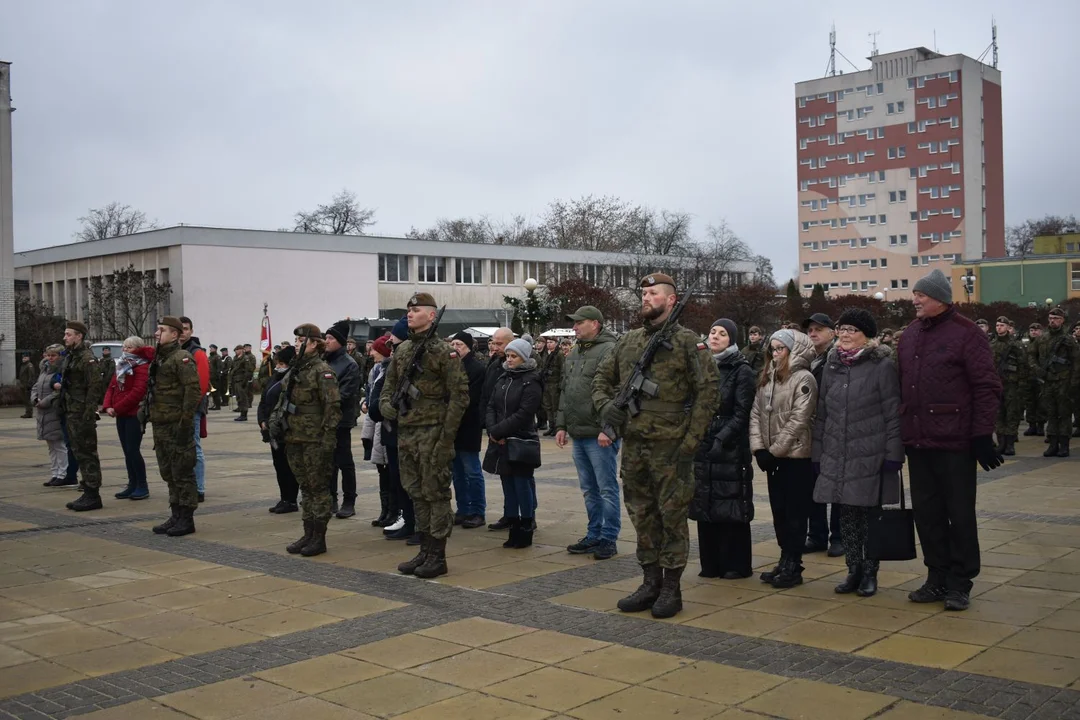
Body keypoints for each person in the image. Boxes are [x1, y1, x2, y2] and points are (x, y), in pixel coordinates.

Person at [594, 273, 720, 618]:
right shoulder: (629, 341)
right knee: (641, 515)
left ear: (671, 300)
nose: (645, 298)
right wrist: (609, 410)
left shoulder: (687, 342)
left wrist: (691, 441)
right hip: (634, 445)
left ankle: (671, 588)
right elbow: (602, 379)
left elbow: (709, 392)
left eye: (653, 294)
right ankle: (649, 582)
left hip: (671, 447)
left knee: (672, 518)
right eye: (644, 293)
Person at [899, 268, 1003, 611]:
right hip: (918, 441)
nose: (914, 300)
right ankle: (936, 577)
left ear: (940, 299)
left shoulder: (967, 334)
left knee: (958, 514)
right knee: (926, 515)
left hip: (954, 442)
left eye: (921, 295)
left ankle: (960, 581)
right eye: (914, 294)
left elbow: (987, 387)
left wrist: (981, 435)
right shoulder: (910, 334)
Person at [812, 309, 902, 598]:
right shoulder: (832, 364)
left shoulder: (882, 365)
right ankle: (853, 569)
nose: (846, 334)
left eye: (853, 329)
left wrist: (893, 453)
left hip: (870, 453)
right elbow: (822, 412)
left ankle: (870, 573)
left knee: (869, 516)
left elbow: (892, 413)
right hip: (838, 452)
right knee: (847, 515)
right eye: (842, 328)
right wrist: (818, 452)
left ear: (867, 335)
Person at [380, 294, 468, 577]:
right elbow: (388, 385)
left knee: (436, 494)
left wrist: (446, 439)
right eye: (408, 310)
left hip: (433, 434)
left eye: (416, 310)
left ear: (431, 316)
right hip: (407, 434)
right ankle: (424, 549)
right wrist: (386, 407)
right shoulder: (403, 349)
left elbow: (459, 396)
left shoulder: (445, 351)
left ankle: (437, 556)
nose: (410, 314)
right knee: (416, 493)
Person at [751, 328, 817, 589]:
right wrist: (759, 449)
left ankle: (794, 562)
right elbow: (756, 413)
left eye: (781, 349)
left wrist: (775, 451)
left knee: (795, 512)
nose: (776, 354)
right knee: (779, 511)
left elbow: (799, 420)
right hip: (773, 458)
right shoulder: (768, 378)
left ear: (793, 350)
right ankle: (784, 557)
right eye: (773, 349)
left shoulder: (804, 378)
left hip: (795, 457)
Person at [690, 318, 756, 579]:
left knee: (730, 504)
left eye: (722, 334)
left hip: (729, 448)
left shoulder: (742, 370)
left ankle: (735, 564)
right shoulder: (701, 365)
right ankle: (711, 563)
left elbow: (742, 412)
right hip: (702, 444)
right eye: (712, 331)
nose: (715, 336)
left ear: (732, 339)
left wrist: (722, 437)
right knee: (705, 502)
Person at [556, 305, 620, 561]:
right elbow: (565, 391)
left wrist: (609, 428)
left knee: (606, 488)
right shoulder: (573, 354)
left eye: (579, 323)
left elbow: (617, 393)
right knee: (588, 488)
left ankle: (608, 537)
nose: (574, 327)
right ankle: (593, 533)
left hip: (599, 434)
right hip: (578, 432)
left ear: (595, 324)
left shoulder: (610, 350)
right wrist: (561, 425)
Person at [271, 324, 341, 557]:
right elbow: (283, 400)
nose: (297, 344)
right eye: (297, 340)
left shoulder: (322, 371)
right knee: (305, 487)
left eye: (301, 340)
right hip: (295, 436)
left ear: (314, 343)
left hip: (315, 440)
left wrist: (328, 439)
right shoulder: (296, 370)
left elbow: (332, 408)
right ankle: (308, 532)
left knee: (318, 488)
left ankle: (318, 537)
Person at [483, 338, 543, 548]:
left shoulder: (531, 380)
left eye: (513, 356)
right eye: (508, 355)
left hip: (520, 440)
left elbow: (525, 413)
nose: (509, 360)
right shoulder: (503, 377)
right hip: (500, 440)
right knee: (507, 481)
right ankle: (512, 521)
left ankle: (526, 526)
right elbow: (491, 405)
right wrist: (492, 429)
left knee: (521, 484)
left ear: (524, 357)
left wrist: (499, 430)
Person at [145, 317, 202, 536]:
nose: (157, 333)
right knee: (168, 472)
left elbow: (193, 391)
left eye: (162, 330)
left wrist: (185, 422)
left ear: (175, 335)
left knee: (182, 472)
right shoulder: (159, 359)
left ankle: (187, 518)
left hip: (177, 425)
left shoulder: (182, 358)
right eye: (158, 329)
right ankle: (176, 513)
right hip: (161, 424)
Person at [802, 313, 842, 557]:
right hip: (811, 432)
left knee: (835, 486)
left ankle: (838, 537)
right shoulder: (807, 359)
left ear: (832, 332)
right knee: (812, 486)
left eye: (819, 329)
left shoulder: (837, 359)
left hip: (833, 430)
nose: (813, 333)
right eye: (810, 330)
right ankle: (816, 535)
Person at [58, 321, 104, 511]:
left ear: (79, 336)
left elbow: (95, 387)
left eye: (69, 334)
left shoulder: (87, 358)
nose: (65, 338)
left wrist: (88, 413)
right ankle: (87, 490)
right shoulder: (71, 356)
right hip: (71, 410)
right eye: (65, 334)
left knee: (87, 452)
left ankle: (93, 493)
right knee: (78, 451)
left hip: (82, 412)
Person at [103, 336, 154, 501]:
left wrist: (116, 407)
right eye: (124, 347)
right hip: (121, 413)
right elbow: (112, 386)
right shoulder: (121, 365)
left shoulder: (142, 366)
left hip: (134, 414)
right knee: (127, 451)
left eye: (129, 348)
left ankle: (142, 485)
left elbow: (138, 392)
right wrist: (107, 405)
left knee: (133, 450)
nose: (125, 350)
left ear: (138, 349)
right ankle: (132, 484)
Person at [449, 331, 487, 529]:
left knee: (472, 471)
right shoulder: (451, 366)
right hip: (452, 427)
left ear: (468, 347)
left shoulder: (476, 368)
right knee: (457, 472)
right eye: (453, 343)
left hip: (468, 425)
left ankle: (478, 510)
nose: (455, 347)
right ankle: (463, 509)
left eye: (460, 344)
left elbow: (471, 399)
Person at [325, 320, 361, 518]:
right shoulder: (325, 360)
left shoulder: (349, 364)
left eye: (330, 338)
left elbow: (346, 393)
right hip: (325, 420)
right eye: (326, 337)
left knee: (344, 461)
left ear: (340, 341)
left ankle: (349, 501)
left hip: (341, 419)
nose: (326, 341)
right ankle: (331, 499)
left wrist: (324, 400)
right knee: (328, 462)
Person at [481, 327, 516, 531]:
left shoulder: (516, 367)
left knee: (520, 477)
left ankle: (526, 515)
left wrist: (500, 428)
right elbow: (489, 398)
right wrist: (490, 425)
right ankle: (509, 513)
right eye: (493, 343)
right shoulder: (494, 364)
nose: (495, 347)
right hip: (495, 427)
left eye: (499, 343)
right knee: (504, 473)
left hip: (511, 429)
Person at [1033, 307, 1079, 457]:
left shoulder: (1069, 340)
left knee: (1064, 414)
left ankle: (1064, 445)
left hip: (1064, 382)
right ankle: (1053, 444)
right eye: (1051, 318)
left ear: (1062, 320)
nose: (1053, 321)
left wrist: (1073, 383)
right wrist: (1037, 369)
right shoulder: (1042, 339)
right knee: (1051, 413)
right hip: (1047, 381)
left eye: (1056, 319)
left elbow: (1076, 362)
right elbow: (1031, 356)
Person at [259, 345, 298, 514]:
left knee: (287, 466)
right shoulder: (274, 377)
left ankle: (291, 500)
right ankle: (284, 498)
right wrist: (262, 420)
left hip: (285, 429)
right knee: (279, 466)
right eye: (278, 363)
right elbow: (263, 400)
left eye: (282, 363)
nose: (279, 366)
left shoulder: (291, 379)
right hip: (271, 428)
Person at [361, 336, 394, 526]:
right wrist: (364, 403)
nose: (371, 353)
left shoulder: (387, 370)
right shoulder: (375, 370)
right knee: (381, 469)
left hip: (384, 423)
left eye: (374, 350)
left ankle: (392, 511)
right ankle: (385, 510)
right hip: (375, 423)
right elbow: (370, 393)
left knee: (389, 471)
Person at [179, 318, 211, 502]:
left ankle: (199, 487)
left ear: (191, 331)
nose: (183, 332)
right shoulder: (175, 351)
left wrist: (190, 407)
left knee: (194, 447)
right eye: (180, 329)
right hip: (177, 407)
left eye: (186, 329)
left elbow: (202, 382)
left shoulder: (196, 353)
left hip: (193, 407)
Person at [991, 316, 1028, 457]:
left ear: (1008, 327)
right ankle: (1001, 443)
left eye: (1002, 325)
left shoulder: (1016, 345)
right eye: (997, 325)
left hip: (1012, 384)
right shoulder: (992, 344)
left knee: (1012, 414)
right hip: (996, 385)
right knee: (999, 414)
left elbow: (1023, 366)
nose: (999, 327)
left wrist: (1021, 384)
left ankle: (1010, 444)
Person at [32, 345, 66, 483]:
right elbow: (36, 386)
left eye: (53, 355)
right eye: (48, 355)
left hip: (54, 411)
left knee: (59, 445)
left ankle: (62, 474)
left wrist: (45, 401)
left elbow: (59, 391)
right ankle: (55, 472)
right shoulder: (44, 370)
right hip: (43, 412)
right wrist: (34, 399)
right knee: (51, 445)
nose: (50, 358)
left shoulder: (61, 370)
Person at [1024, 323, 1045, 437]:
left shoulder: (1044, 344)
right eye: (1032, 330)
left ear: (1041, 331)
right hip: (1028, 377)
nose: (1034, 332)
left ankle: (1041, 425)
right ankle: (1032, 425)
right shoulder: (1025, 345)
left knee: (1041, 402)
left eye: (1036, 330)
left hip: (1041, 377)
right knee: (1029, 402)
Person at [540, 336, 563, 437]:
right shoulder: (546, 354)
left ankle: (557, 428)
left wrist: (560, 385)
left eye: (551, 342)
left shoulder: (559, 354)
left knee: (555, 407)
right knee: (548, 407)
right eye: (548, 342)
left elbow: (563, 370)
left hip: (555, 384)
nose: (549, 344)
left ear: (556, 343)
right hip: (547, 383)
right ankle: (551, 426)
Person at [18, 352, 36, 418]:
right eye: (23, 357)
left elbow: (31, 376)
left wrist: (29, 384)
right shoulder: (23, 365)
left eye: (25, 357)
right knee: (25, 400)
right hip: (23, 385)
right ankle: (27, 412)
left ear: (28, 358)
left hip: (27, 385)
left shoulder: (29, 365)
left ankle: (29, 413)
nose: (23, 359)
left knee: (28, 400)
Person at [207, 344, 223, 410]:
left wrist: (218, 376)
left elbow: (219, 367)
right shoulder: (210, 357)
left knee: (216, 393)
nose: (210, 349)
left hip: (215, 378)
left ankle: (218, 405)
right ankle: (215, 404)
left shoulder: (217, 357)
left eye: (212, 348)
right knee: (213, 393)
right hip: (210, 377)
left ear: (215, 349)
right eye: (210, 348)